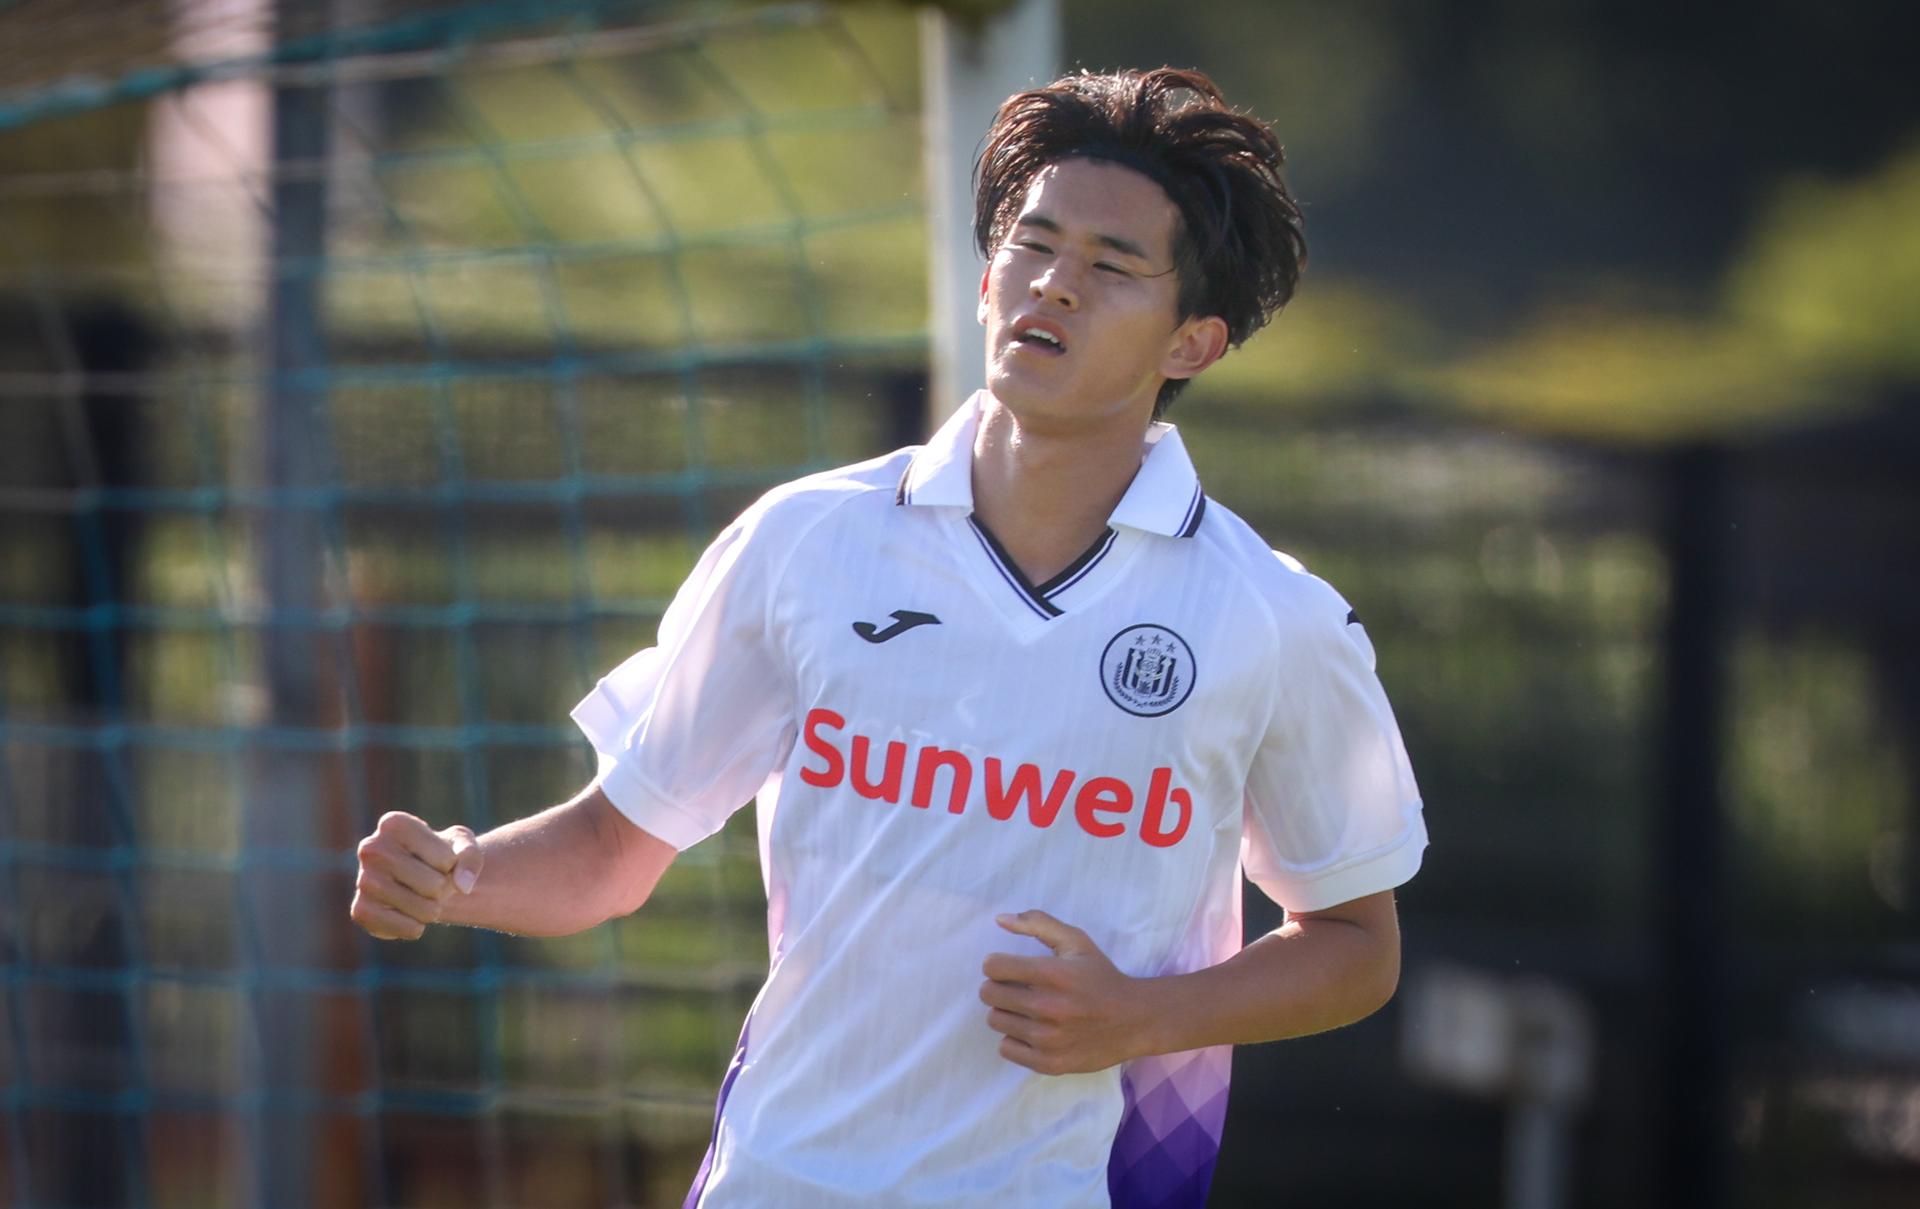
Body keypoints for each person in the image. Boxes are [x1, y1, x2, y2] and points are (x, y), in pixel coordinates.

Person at [351, 66, 1427, 1208]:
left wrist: (1147, 1015)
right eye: (1034, 246)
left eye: (1111, 268)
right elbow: (613, 854)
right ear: (984, 280)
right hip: (778, 1182)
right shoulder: (804, 543)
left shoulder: (1274, 617)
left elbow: (1356, 944)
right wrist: (460, 874)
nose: (1055, 287)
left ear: (1193, 345)